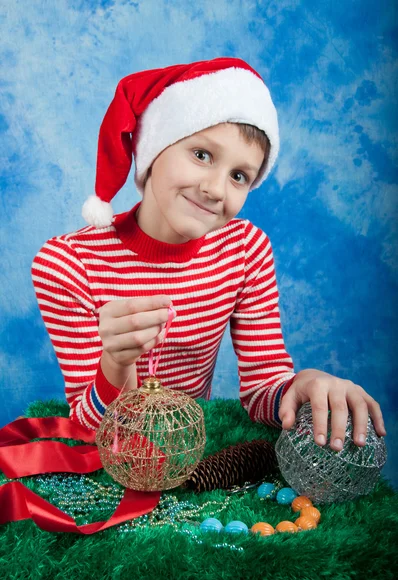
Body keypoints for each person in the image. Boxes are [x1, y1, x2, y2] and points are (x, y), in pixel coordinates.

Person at [31, 57, 386, 452]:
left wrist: (301, 384)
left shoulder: (245, 248)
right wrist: (116, 361)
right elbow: (89, 428)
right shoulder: (68, 264)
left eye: (239, 176)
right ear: (153, 151)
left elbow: (262, 389)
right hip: (114, 464)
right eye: (201, 154)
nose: (217, 190)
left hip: (193, 453)